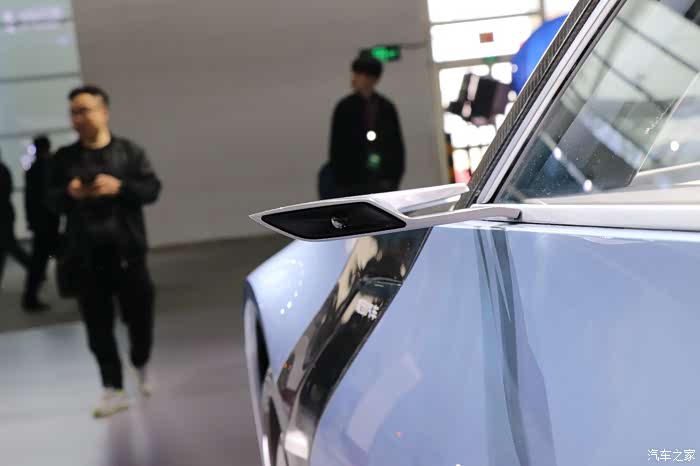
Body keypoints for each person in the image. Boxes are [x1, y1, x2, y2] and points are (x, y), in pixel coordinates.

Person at [47, 85, 162, 418]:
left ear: (104, 112)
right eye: (73, 113)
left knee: (140, 318)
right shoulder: (64, 159)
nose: (78, 118)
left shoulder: (129, 152)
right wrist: (70, 194)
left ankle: (141, 363)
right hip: (85, 255)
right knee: (97, 327)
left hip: (128, 253)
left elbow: (151, 189)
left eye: (84, 110)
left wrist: (119, 187)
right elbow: (49, 201)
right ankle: (112, 387)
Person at [327, 54, 405, 197]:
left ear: (372, 79)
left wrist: (392, 179)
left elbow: (396, 146)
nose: (354, 78)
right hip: (352, 183)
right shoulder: (344, 107)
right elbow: (336, 147)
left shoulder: (386, 107)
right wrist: (342, 181)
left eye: (359, 74)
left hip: (383, 181)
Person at [22, 135, 60, 311]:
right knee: (41, 260)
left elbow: (29, 199)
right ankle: (30, 298)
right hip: (48, 221)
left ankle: (30, 297)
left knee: (39, 260)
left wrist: (30, 220)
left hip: (40, 222)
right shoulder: (48, 167)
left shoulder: (33, 169)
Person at [0, 150, 30, 289]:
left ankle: (34, 268)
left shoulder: (2, 170)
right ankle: (34, 269)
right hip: (5, 214)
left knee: (10, 246)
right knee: (8, 246)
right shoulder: (3, 169)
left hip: (3, 216)